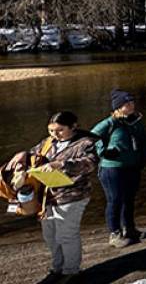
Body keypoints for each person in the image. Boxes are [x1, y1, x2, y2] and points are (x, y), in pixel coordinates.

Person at [11, 112, 99, 283]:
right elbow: (33, 155)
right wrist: (22, 156)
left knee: (66, 235)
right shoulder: (49, 141)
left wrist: (60, 164)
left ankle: (71, 270)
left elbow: (89, 163)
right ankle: (57, 267)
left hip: (72, 196)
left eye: (59, 130)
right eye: (51, 130)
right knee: (50, 235)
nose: (54, 134)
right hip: (47, 196)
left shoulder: (86, 143)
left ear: (73, 127)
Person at [91, 89, 146, 248]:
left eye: (132, 102)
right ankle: (114, 233)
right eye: (126, 104)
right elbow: (90, 138)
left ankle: (129, 229)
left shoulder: (136, 121)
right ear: (118, 107)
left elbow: (143, 140)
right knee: (115, 200)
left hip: (132, 167)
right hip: (112, 169)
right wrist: (103, 152)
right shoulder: (110, 123)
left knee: (129, 199)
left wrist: (144, 157)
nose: (131, 105)